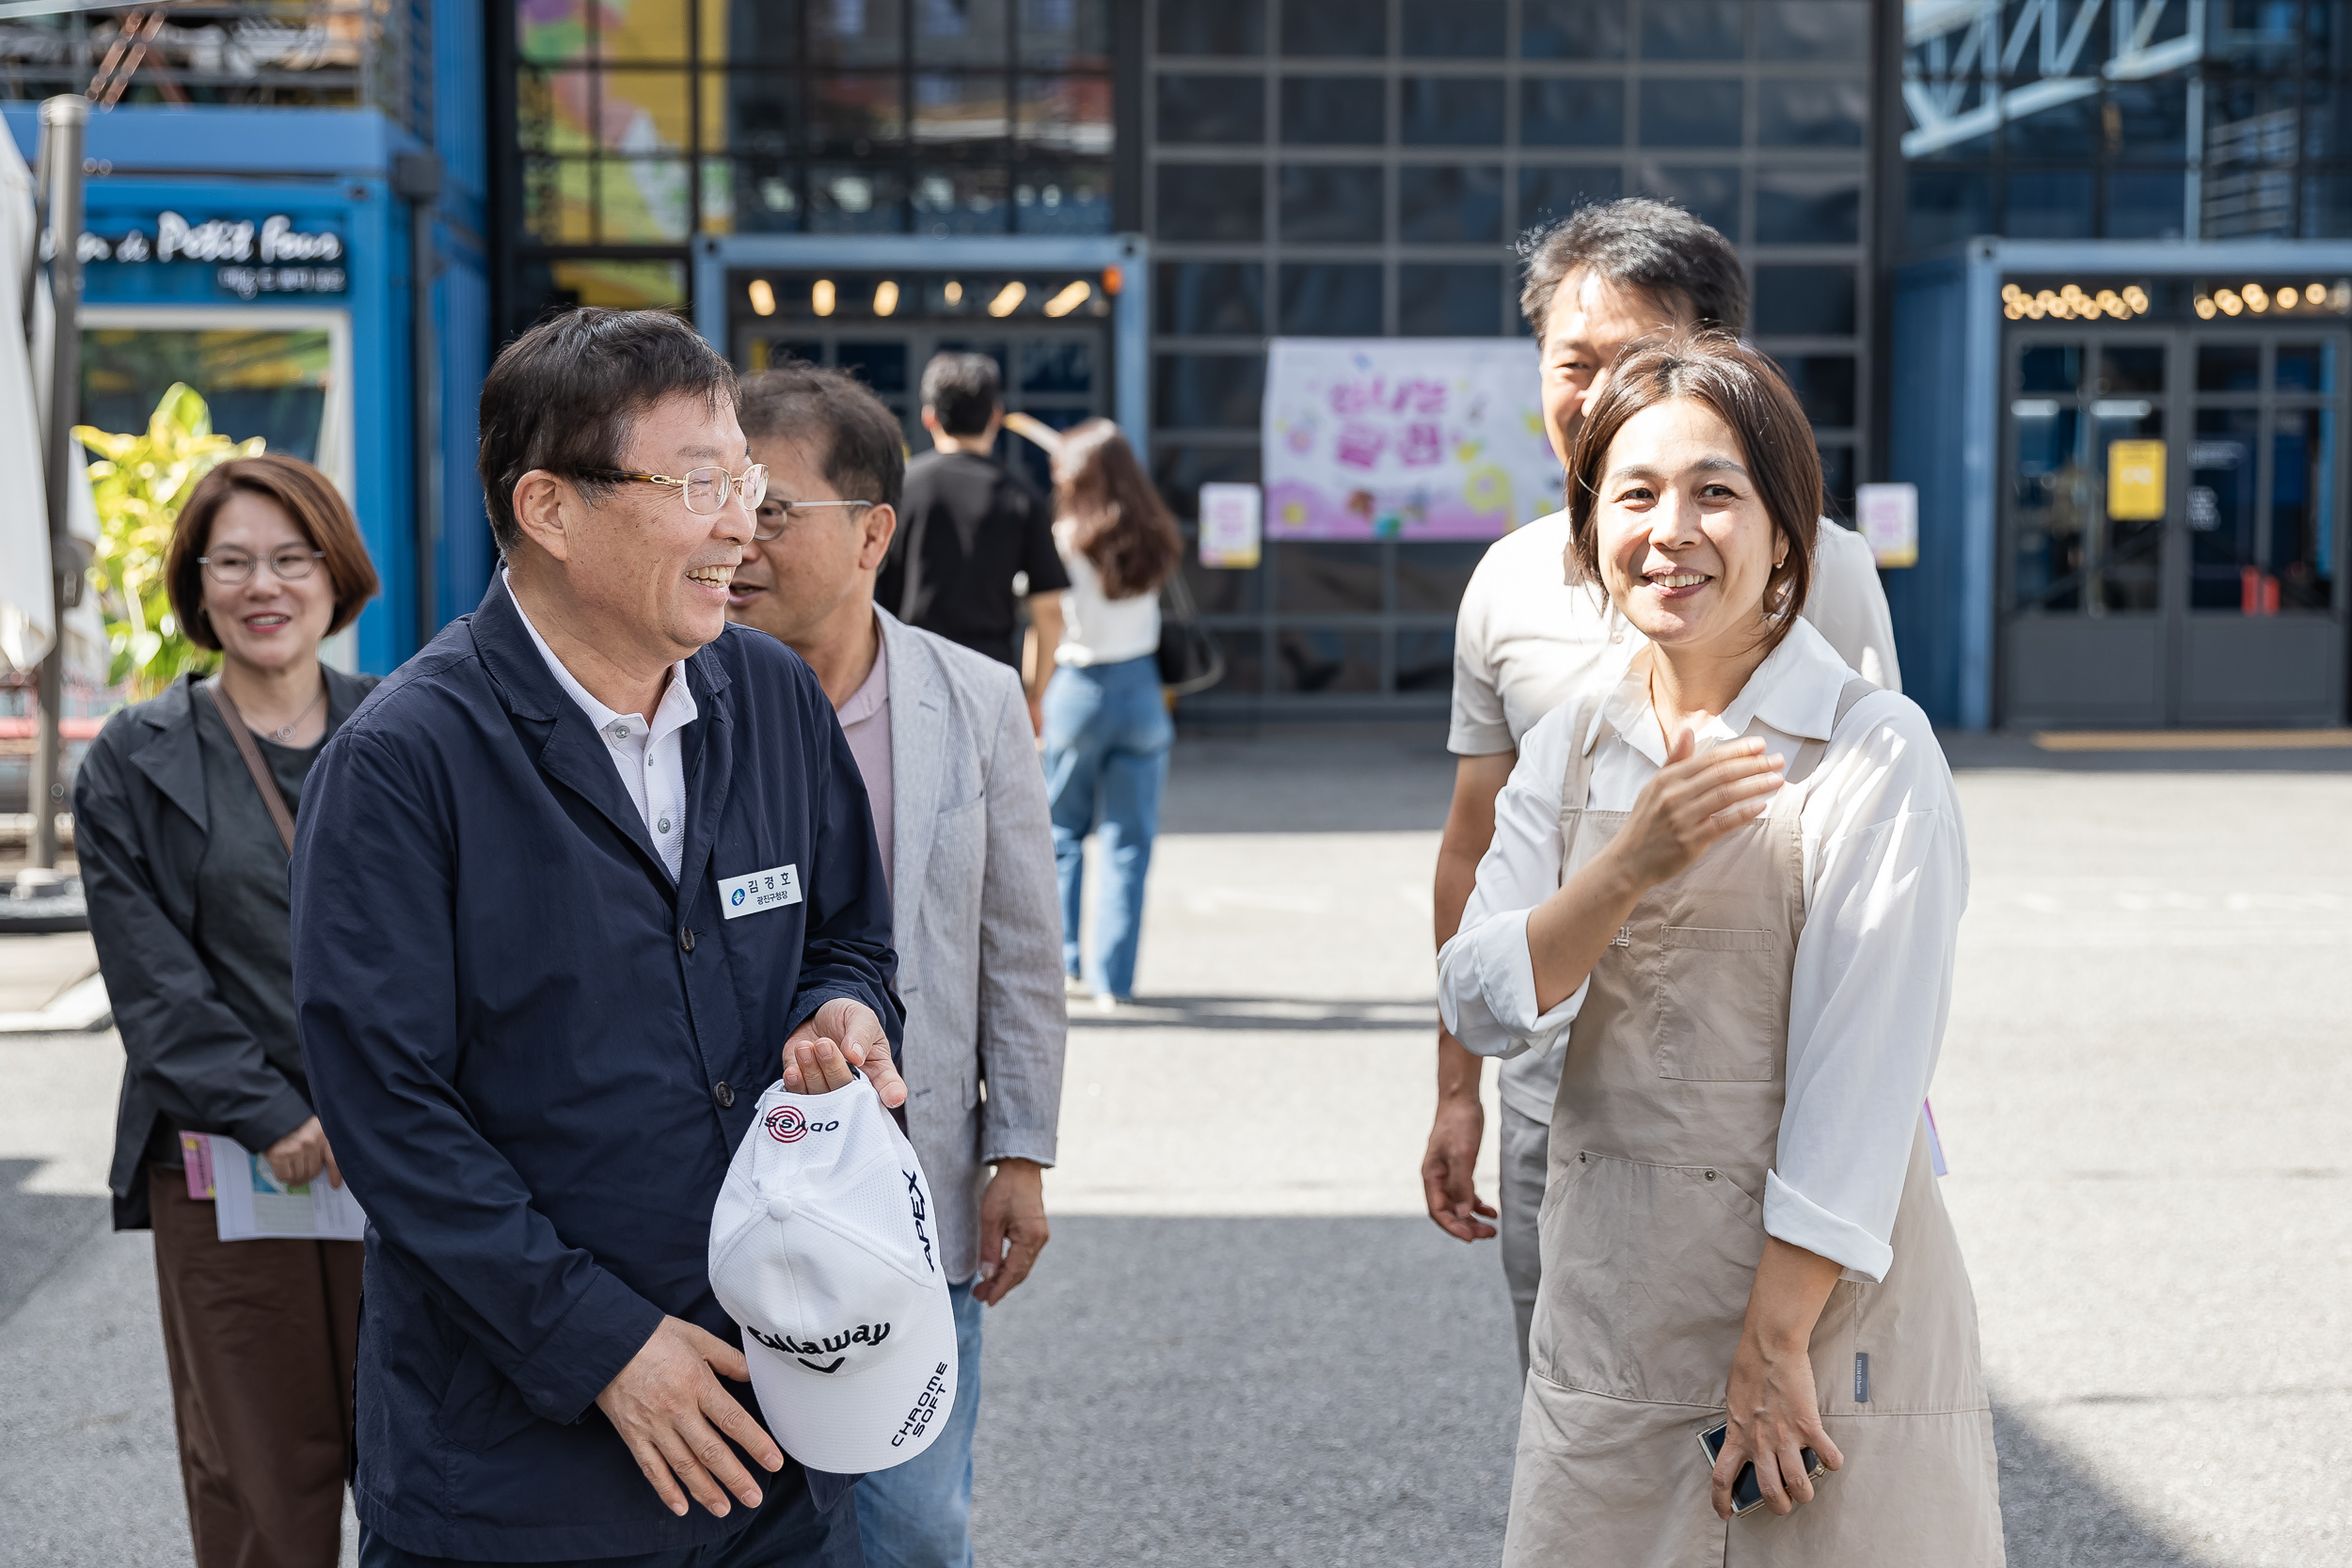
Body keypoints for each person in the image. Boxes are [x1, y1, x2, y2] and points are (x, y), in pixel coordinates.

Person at [290, 309, 906, 1567]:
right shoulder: (407, 762)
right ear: (551, 508)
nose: (740, 521)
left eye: (744, 479)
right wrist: (602, 1342)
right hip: (518, 1479)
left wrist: (848, 1009)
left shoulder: (772, 697)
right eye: (698, 482)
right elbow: (389, 1110)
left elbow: (848, 932)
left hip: (774, 1436)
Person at [1438, 331, 2001, 1560]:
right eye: (1633, 493)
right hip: (1618, 1288)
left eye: (1716, 492)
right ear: (1590, 533)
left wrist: (1776, 1331)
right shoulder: (1575, 739)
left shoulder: (1871, 746)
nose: (1671, 527)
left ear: (1787, 533)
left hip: (1825, 1306)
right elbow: (1478, 994)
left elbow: (1865, 1079)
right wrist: (1631, 861)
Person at [1422, 198, 1906, 1377]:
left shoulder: (1818, 565)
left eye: (1631, 359)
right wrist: (1457, 1091)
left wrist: (1881, 1109)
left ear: (1717, 360)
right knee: (1579, 1420)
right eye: (1569, 363)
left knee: (1776, 1442)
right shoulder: (1507, 582)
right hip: (1560, 1103)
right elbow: (1470, 846)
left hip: (1760, 1102)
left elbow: (1887, 849)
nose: (1592, 395)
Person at [723, 360, 1068, 1568]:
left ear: (873, 530)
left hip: (911, 1191)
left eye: (772, 508)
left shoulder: (970, 699)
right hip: (720, 1192)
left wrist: (1018, 1146)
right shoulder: (682, 691)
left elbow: (1020, 946)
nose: (738, 537)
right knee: (747, 1520)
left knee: (914, 1521)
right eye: (722, 498)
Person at [74, 452, 381, 1568]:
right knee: (262, 1474)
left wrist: (382, 1113)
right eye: (235, 561)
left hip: (391, 1159)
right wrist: (279, 1117)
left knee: (418, 1452)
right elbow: (151, 976)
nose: (267, 585)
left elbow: (454, 950)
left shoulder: (404, 730)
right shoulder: (133, 760)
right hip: (225, 1169)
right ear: (197, 586)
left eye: (292, 558)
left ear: (333, 572)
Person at [1037, 420, 1183, 1008]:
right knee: (1130, 841)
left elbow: (1048, 618)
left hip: (1078, 686)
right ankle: (1113, 981)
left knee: (1062, 832)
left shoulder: (1064, 536)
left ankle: (1066, 962)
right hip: (1142, 688)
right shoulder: (1155, 532)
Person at [877, 352, 1068, 725]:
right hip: (991, 678)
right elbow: (1049, 610)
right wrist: (1036, 694)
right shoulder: (1019, 496)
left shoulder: (898, 489)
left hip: (909, 673)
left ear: (928, 417)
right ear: (996, 416)